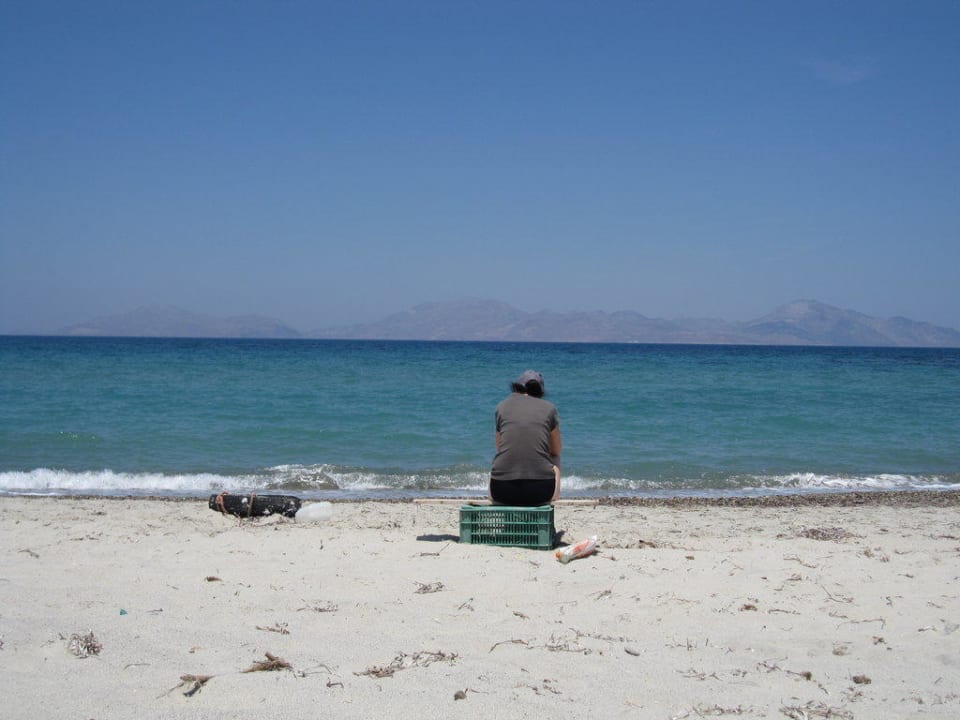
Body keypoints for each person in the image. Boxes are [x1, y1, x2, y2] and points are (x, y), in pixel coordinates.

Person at [489, 369, 562, 506]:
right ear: (540, 391)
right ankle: (553, 497)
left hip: (501, 491)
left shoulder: (501, 407)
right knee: (555, 458)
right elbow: (556, 450)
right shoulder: (549, 409)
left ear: (517, 387)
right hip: (540, 492)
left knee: (498, 459)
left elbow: (499, 448)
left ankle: (494, 500)